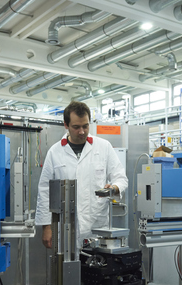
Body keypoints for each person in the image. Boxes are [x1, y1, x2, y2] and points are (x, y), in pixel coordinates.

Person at [35, 101, 128, 250]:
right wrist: (46, 226)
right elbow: (45, 190)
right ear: (66, 125)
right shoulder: (55, 152)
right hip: (65, 227)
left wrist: (114, 187)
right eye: (76, 127)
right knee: (67, 270)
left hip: (97, 227)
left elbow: (121, 178)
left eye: (85, 126)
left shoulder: (104, 147)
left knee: (97, 269)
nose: (82, 131)